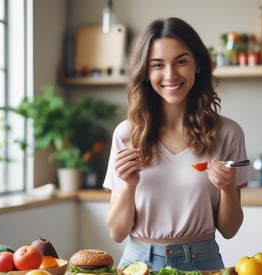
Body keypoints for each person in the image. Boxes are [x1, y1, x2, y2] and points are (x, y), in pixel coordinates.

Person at [103, 17, 250, 271]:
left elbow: (230, 229)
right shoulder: (126, 134)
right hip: (139, 264)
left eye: (181, 61)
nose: (170, 75)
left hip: (204, 263)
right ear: (146, 73)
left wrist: (227, 188)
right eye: (157, 65)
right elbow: (117, 233)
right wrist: (128, 186)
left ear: (198, 65)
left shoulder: (228, 133)